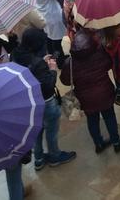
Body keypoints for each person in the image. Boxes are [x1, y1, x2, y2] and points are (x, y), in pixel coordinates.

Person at [12, 28, 77, 170]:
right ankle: (54, 156)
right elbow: (47, 85)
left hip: (28, 103)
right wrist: (52, 69)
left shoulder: (15, 55)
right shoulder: (37, 63)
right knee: (51, 131)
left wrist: (41, 61)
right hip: (46, 102)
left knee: (36, 131)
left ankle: (39, 159)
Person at [61, 26, 120, 154]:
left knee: (92, 120)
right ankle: (116, 141)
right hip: (104, 93)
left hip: (85, 98)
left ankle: (98, 144)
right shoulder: (99, 53)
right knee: (109, 116)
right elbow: (109, 64)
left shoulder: (70, 62)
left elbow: (65, 80)